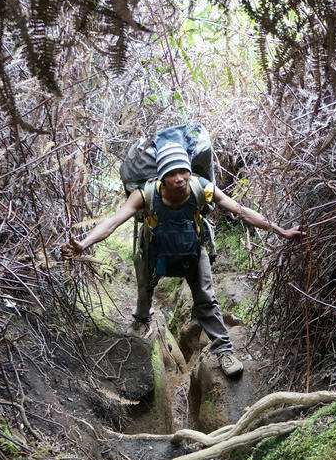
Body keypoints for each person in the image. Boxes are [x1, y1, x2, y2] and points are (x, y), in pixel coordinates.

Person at [61, 142, 302, 376]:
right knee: (145, 290)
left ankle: (224, 350)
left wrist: (281, 231)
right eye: (172, 173)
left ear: (189, 170)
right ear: (162, 176)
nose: (179, 178)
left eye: (183, 171)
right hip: (155, 251)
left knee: (206, 299)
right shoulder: (145, 193)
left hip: (193, 250)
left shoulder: (202, 187)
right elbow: (113, 222)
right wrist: (84, 244)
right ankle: (142, 320)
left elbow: (240, 210)